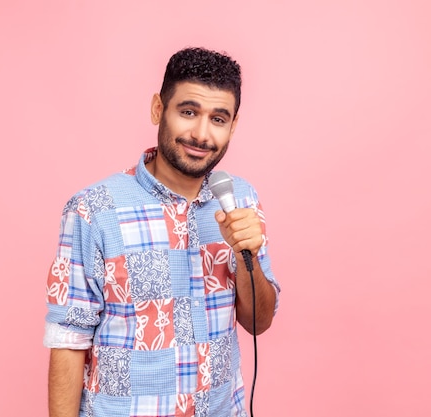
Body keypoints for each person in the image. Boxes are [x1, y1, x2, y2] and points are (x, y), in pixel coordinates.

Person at [44, 47, 280, 417]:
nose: (201, 134)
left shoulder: (240, 200)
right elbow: (68, 339)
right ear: (158, 109)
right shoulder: (93, 209)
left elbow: (257, 322)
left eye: (218, 119)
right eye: (188, 112)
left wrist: (242, 253)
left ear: (233, 125)